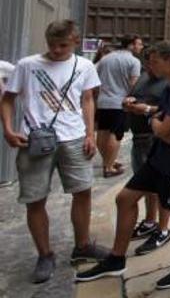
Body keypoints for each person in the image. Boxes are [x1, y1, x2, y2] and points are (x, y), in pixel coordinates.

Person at [76, 41, 170, 290]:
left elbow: (164, 127)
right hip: (159, 157)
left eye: (154, 61)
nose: (149, 65)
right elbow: (162, 117)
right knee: (124, 198)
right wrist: (152, 115)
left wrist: (157, 123)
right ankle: (116, 258)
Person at [1, 20, 108, 284]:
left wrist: (90, 134)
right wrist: (7, 129)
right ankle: (45, 255)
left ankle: (82, 246)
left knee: (82, 192)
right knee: (35, 199)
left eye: (63, 45)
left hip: (74, 139)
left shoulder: (84, 66)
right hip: (35, 140)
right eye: (52, 45)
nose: (57, 50)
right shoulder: (27, 65)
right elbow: (8, 99)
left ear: (75, 41)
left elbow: (87, 100)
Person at [122, 46, 170, 256]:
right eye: (147, 62)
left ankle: (163, 229)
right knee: (148, 186)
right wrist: (129, 103)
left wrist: (146, 109)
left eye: (154, 62)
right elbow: (133, 96)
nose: (149, 66)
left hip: (156, 140)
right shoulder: (143, 78)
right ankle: (150, 221)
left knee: (161, 187)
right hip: (139, 139)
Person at [95, 34, 143, 177]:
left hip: (103, 101)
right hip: (119, 102)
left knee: (102, 132)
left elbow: (95, 79)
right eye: (139, 44)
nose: (141, 47)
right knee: (115, 135)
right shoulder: (133, 61)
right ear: (131, 45)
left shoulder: (105, 59)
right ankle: (109, 167)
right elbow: (134, 84)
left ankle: (107, 162)